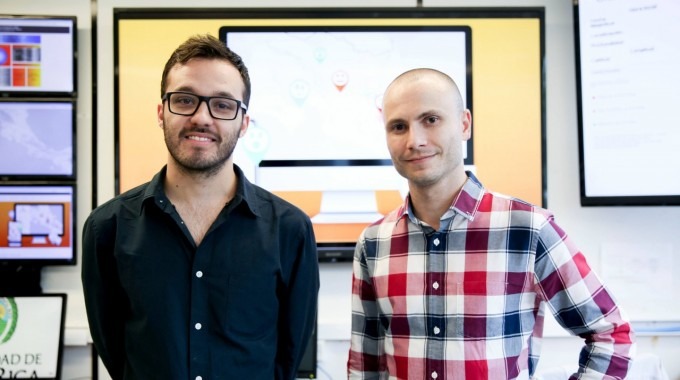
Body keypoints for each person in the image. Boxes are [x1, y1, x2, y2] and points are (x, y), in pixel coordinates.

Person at [347, 68, 634, 379]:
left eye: (430, 120)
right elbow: (365, 365)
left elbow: (611, 335)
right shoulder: (374, 243)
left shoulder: (528, 229)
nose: (414, 141)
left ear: (464, 124)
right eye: (399, 127)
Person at [82, 34, 319, 380]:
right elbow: (116, 353)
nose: (201, 118)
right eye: (185, 99)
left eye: (223, 105)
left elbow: (289, 356)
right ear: (162, 113)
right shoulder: (108, 229)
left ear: (244, 124)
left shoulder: (290, 230)